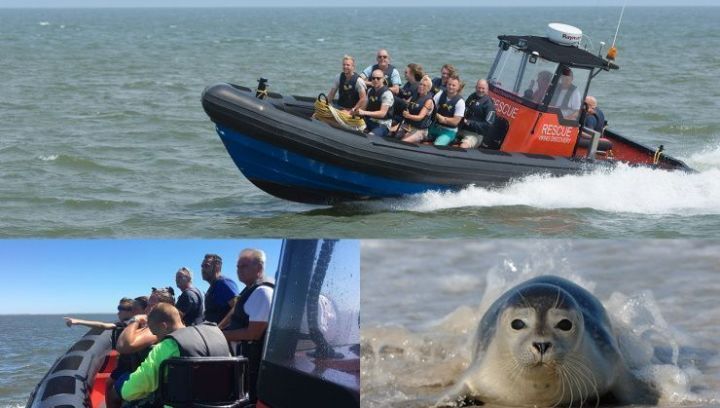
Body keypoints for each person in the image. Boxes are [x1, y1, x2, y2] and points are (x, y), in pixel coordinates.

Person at [116, 303, 231, 404]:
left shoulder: (168, 345)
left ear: (164, 326)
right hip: (223, 403)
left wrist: (121, 385)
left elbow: (130, 392)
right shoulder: (216, 335)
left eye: (155, 333)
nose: (157, 338)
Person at [220, 248, 274, 404]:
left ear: (259, 268)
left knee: (250, 399)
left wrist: (220, 335)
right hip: (244, 361)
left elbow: (253, 334)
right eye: (237, 267)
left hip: (253, 365)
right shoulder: (250, 291)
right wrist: (217, 328)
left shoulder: (262, 292)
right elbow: (235, 314)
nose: (238, 270)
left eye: (243, 266)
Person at [106, 288, 175, 408]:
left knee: (113, 392)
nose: (147, 309)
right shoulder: (157, 326)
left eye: (151, 306)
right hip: (150, 378)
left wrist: (135, 320)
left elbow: (123, 346)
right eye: (147, 306)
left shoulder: (157, 329)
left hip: (151, 383)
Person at [201, 253, 239, 324]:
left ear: (217, 267)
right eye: (202, 266)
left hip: (221, 333)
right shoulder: (213, 286)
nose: (203, 269)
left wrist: (219, 327)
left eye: (206, 266)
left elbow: (237, 308)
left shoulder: (224, 283)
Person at [428, 75, 465, 146]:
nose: (451, 87)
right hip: (436, 126)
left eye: (453, 85)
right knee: (420, 135)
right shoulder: (440, 93)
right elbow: (430, 107)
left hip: (449, 131)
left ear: (458, 87)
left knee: (437, 145)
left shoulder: (460, 102)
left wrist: (444, 119)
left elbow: (455, 122)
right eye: (449, 84)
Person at [458, 79, 496, 149]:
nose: (480, 90)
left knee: (463, 146)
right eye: (479, 88)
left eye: (483, 88)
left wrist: (469, 122)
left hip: (475, 135)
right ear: (476, 87)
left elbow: (488, 125)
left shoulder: (489, 104)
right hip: (462, 129)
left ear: (487, 89)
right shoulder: (472, 97)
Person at [397, 75, 434, 143]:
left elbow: (420, 117)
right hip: (408, 125)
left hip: (420, 129)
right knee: (392, 133)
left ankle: (421, 139)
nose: (421, 86)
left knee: (404, 141)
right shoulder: (415, 95)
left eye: (424, 85)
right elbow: (406, 104)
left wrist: (408, 116)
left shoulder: (428, 101)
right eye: (420, 84)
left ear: (428, 88)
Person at [357, 69, 394, 137]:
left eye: (378, 78)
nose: (375, 80)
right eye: (373, 78)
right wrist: (355, 112)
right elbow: (364, 107)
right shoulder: (370, 91)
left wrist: (364, 112)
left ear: (383, 79)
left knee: (370, 136)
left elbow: (382, 113)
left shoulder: (387, 94)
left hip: (382, 124)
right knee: (351, 126)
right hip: (370, 121)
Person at [63, 297, 135, 332]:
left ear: (130, 311)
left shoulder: (127, 324)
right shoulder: (136, 323)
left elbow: (102, 325)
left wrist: (78, 321)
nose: (118, 313)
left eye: (121, 310)